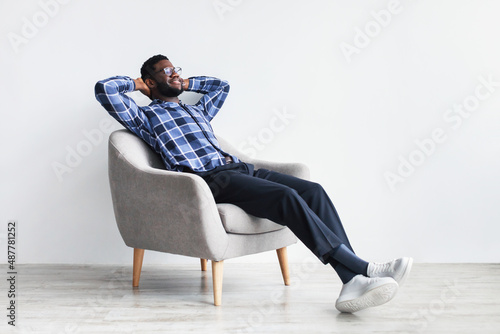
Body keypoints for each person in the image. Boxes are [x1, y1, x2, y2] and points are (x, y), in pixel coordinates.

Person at [95, 54, 413, 313]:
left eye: (176, 69)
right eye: (167, 72)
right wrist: (138, 84)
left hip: (241, 169)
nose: (175, 74)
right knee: (285, 197)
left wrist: (183, 81)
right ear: (150, 82)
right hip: (210, 179)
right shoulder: (144, 118)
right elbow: (104, 89)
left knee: (313, 190)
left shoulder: (197, 111)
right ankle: (363, 269)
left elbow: (222, 86)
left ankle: (351, 280)